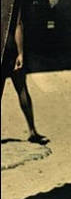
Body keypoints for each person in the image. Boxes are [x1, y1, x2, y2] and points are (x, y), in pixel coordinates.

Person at [1, 9, 47, 144]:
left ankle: (33, 131)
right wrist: (20, 53)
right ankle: (32, 130)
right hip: (11, 49)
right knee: (22, 90)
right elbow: (18, 24)